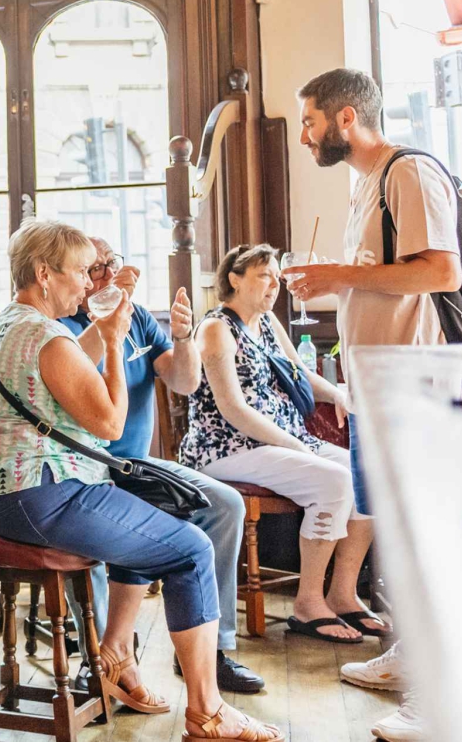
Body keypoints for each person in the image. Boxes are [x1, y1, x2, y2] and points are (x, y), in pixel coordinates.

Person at [0, 219, 284, 742]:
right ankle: (207, 713)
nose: (88, 284)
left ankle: (118, 658)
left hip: (2, 494)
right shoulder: (47, 336)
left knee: (159, 522)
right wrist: (113, 341)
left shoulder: (11, 324)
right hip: (39, 492)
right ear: (44, 274)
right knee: (190, 550)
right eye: (79, 273)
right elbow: (111, 422)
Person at [289, 67, 462, 742]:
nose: (305, 137)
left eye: (309, 122)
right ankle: (412, 658)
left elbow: (440, 271)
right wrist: (333, 283)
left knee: (426, 539)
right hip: (372, 387)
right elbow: (379, 281)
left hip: (415, 384)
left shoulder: (407, 174)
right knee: (395, 529)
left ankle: (440, 692)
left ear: (345, 119)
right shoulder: (363, 185)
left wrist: (339, 274)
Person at [59, 238, 263, 694]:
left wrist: (184, 336)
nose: (108, 276)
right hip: (83, 467)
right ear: (71, 275)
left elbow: (185, 381)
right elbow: (72, 380)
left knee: (225, 504)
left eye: (112, 264)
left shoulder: (140, 320)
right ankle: (96, 655)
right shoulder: (60, 321)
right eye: (94, 270)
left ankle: (210, 647)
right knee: (95, 527)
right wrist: (105, 321)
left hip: (138, 464)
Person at [179, 244, 382, 645]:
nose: (273, 284)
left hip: (281, 441)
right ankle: (307, 603)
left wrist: (338, 395)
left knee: (368, 475)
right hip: (227, 449)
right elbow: (233, 409)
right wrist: (297, 446)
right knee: (333, 482)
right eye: (262, 276)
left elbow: (301, 373)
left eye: (276, 276)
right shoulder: (217, 328)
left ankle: (342, 594)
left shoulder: (268, 321)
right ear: (234, 279)